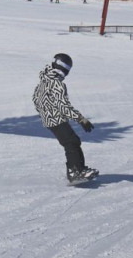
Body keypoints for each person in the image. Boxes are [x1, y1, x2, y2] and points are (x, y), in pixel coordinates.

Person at [32, 53, 98, 184]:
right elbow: (64, 106)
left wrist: (44, 113)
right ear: (63, 70)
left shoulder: (43, 81)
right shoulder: (57, 84)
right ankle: (75, 171)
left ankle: (79, 169)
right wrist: (81, 119)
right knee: (71, 143)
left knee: (73, 141)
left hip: (49, 120)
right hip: (56, 119)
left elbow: (35, 99)